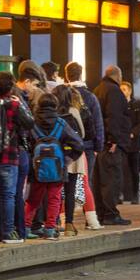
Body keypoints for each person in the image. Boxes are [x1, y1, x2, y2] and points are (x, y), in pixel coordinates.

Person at [0, 72, 33, 245]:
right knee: (8, 196)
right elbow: (29, 123)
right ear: (10, 88)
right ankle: (8, 233)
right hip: (8, 157)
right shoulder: (13, 105)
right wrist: (20, 104)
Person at [24, 93, 84, 240]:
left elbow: (25, 143)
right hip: (57, 168)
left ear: (39, 105)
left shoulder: (32, 123)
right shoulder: (61, 124)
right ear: (55, 106)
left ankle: (25, 228)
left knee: (33, 200)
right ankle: (50, 230)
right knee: (54, 199)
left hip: (37, 168)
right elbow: (79, 144)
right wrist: (67, 159)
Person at [93, 65, 132, 226]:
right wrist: (113, 140)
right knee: (112, 180)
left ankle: (101, 213)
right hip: (111, 145)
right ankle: (111, 214)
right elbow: (114, 117)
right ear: (118, 76)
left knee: (100, 181)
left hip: (101, 143)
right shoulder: (114, 91)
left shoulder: (98, 90)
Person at [16, 60, 48, 237]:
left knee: (24, 189)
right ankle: (29, 225)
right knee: (31, 189)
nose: (34, 88)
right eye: (34, 84)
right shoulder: (34, 96)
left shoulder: (23, 96)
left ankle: (25, 224)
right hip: (28, 149)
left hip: (27, 149)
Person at [53, 85, 88, 235]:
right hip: (72, 156)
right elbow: (82, 134)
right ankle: (68, 224)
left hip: (55, 156)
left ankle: (54, 223)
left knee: (54, 190)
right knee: (70, 191)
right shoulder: (73, 111)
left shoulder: (52, 112)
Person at [64, 62, 104, 186]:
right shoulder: (91, 97)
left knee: (67, 182)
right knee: (85, 182)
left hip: (66, 145)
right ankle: (84, 200)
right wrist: (98, 147)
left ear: (67, 75)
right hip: (87, 146)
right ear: (81, 75)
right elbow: (98, 124)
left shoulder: (62, 95)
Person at [120, 81, 140, 205]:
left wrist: (132, 133)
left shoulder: (137, 104)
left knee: (134, 170)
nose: (122, 91)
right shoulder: (117, 105)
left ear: (130, 91)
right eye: (121, 89)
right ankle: (119, 195)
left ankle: (135, 194)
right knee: (120, 169)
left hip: (133, 143)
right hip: (121, 142)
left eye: (124, 89)